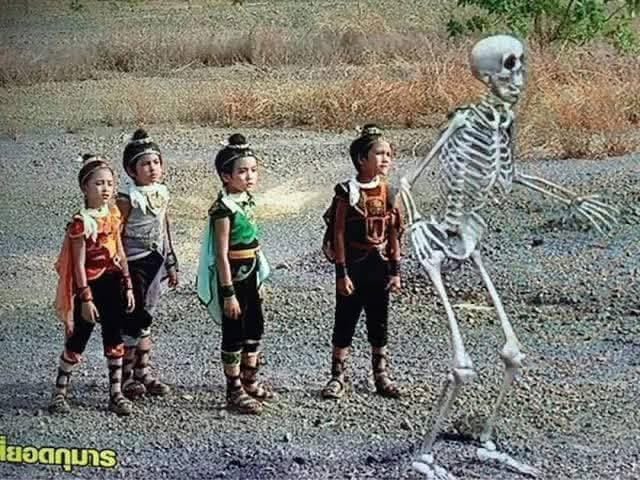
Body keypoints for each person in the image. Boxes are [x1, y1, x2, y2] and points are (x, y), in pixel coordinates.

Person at [321, 124, 403, 400]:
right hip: (354, 266)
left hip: (379, 265)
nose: (385, 159)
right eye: (379, 154)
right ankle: (337, 377)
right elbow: (338, 233)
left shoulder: (389, 192)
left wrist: (395, 271)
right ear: (361, 159)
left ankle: (381, 375)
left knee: (379, 321)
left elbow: (394, 233)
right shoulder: (346, 192)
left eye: (388, 154)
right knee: (345, 319)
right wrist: (341, 274)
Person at [50, 154, 135, 416]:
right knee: (79, 337)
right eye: (99, 183)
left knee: (114, 336)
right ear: (85, 188)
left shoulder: (113, 214)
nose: (105, 189)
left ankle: (116, 393)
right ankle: (60, 392)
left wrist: (128, 284)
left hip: (112, 282)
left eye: (109, 183)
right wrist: (85, 298)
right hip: (90, 285)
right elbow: (78, 265)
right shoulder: (81, 223)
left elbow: (120, 250)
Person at [197, 133, 271, 415]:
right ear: (226, 176)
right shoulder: (223, 210)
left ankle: (250, 380)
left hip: (250, 274)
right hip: (233, 277)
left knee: (255, 325)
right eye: (242, 171)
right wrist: (228, 293)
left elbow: (255, 241)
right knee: (233, 332)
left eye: (253, 170)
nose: (250, 176)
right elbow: (221, 253)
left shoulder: (247, 201)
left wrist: (259, 279)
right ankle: (234, 390)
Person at [117, 128, 179, 399]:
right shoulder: (126, 198)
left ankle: (143, 371)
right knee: (133, 317)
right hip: (133, 263)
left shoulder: (161, 192)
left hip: (156, 261)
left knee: (148, 315)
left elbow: (164, 226)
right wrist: (120, 271)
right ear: (132, 170)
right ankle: (125, 376)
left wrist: (171, 261)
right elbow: (115, 234)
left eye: (156, 162)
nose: (152, 168)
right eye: (145, 164)